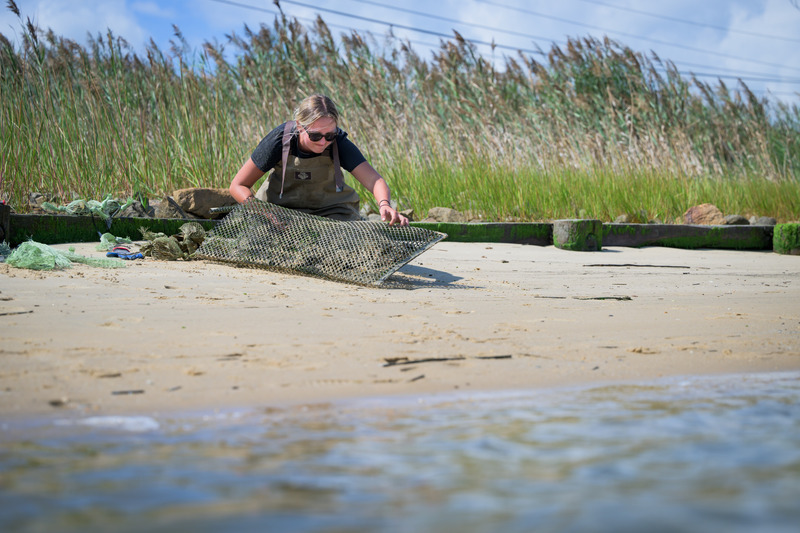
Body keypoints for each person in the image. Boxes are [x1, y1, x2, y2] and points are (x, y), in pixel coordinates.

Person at [230, 94, 409, 226]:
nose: (324, 142)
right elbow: (238, 186)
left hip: (331, 214)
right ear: (300, 126)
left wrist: (384, 204)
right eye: (315, 136)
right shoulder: (279, 140)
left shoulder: (338, 142)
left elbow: (374, 180)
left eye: (329, 135)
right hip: (280, 212)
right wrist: (264, 212)